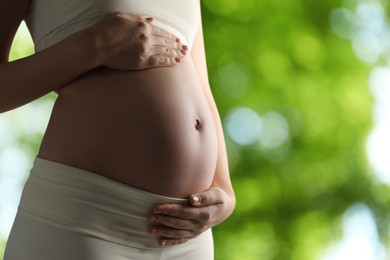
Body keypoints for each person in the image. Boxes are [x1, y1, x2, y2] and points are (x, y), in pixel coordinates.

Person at [1, 0, 235, 259]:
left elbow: (201, 85)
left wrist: (224, 189)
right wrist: (95, 44)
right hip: (84, 221)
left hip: (187, 235)